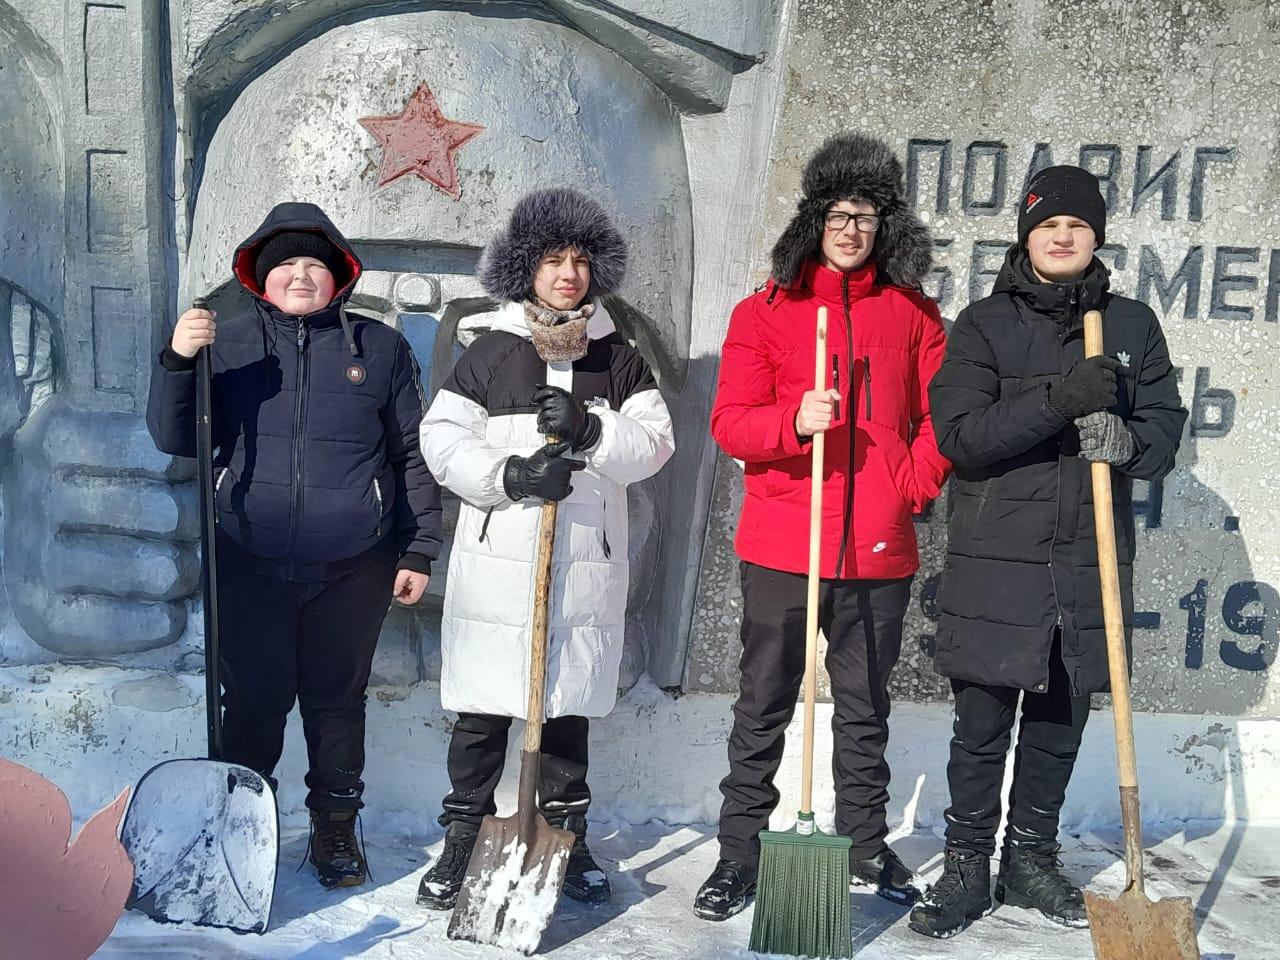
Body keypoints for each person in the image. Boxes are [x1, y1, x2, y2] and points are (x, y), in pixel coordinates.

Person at [909, 166, 1187, 938]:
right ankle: (967, 865)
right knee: (983, 724)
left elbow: (1165, 430)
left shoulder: (1131, 325)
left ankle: (1028, 860)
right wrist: (1059, 401)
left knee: (1062, 720)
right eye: (1046, 225)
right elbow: (961, 437)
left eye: (1077, 225)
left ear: (1096, 235)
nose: (1062, 236)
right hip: (998, 561)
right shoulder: (985, 324)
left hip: (1088, 561)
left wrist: (1128, 440)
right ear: (1026, 236)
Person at [146, 201, 443, 888]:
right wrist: (177, 359)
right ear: (260, 276)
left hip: (354, 567)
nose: (301, 275)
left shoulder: (381, 348)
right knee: (253, 702)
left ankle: (336, 831)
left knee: (337, 703)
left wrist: (418, 548)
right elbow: (173, 436)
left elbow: (410, 455)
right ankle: (235, 834)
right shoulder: (230, 343)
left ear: (339, 274)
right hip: (248, 562)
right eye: (286, 264)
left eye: (315, 262)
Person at [694, 132, 950, 921]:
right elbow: (729, 423)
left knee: (865, 706)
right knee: (762, 702)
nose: (851, 228)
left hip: (878, 546)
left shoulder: (911, 314)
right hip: (783, 542)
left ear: (885, 224)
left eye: (866, 214)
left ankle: (866, 841)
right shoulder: (766, 312)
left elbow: (944, 416)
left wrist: (910, 483)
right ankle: (740, 851)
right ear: (814, 219)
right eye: (839, 213)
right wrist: (791, 421)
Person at [416, 188, 675, 909]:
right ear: (525, 267)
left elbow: (656, 445)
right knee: (481, 711)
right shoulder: (491, 353)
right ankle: (466, 835)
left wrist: (592, 431)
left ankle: (566, 834)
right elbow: (440, 440)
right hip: (500, 566)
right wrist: (509, 475)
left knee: (564, 711)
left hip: (581, 566)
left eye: (582, 260)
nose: (570, 273)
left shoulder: (616, 358)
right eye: (555, 258)